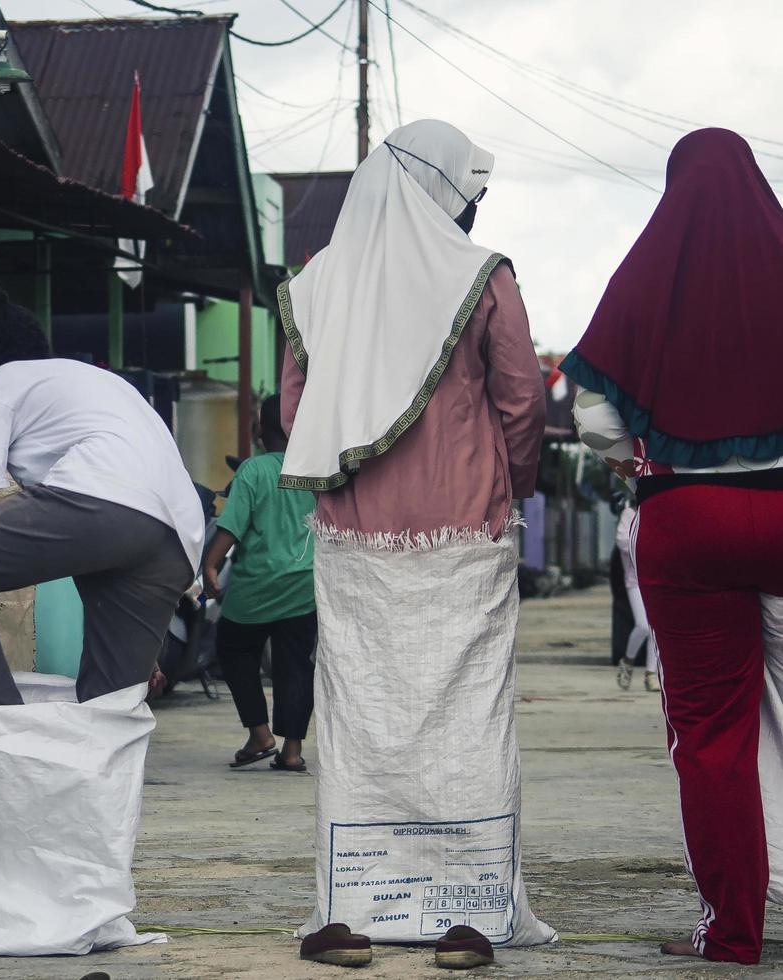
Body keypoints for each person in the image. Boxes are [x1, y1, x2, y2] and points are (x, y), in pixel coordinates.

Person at [279, 120, 552, 962]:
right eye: (468, 192)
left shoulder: (315, 283)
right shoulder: (483, 276)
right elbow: (522, 402)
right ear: (440, 189)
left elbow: (295, 416)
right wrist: (509, 484)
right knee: (468, 720)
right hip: (465, 536)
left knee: (360, 721)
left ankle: (351, 913)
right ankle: (467, 916)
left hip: (352, 543)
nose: (473, 209)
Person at [563, 128, 783, 966]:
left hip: (688, 520)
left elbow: (591, 409)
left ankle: (733, 931)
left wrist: (642, 470)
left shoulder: (651, 272)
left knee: (712, 737)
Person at [0, 286, 204, 707]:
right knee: (107, 709)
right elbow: (96, 540)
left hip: (102, 499)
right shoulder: (100, 381)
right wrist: (141, 641)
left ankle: (6, 735)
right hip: (177, 538)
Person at [202, 394, 318, 772]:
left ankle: (260, 733)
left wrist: (211, 564)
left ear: (260, 432)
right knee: (296, 664)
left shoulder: (253, 471)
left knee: (234, 649)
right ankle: (292, 750)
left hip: (257, 588)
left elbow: (231, 526)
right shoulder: (316, 467)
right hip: (305, 587)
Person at [612, 498, 658, 692]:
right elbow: (623, 543)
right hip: (635, 581)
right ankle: (628, 660)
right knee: (643, 625)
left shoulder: (658, 511)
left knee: (656, 628)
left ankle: (651, 674)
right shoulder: (629, 514)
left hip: (656, 578)